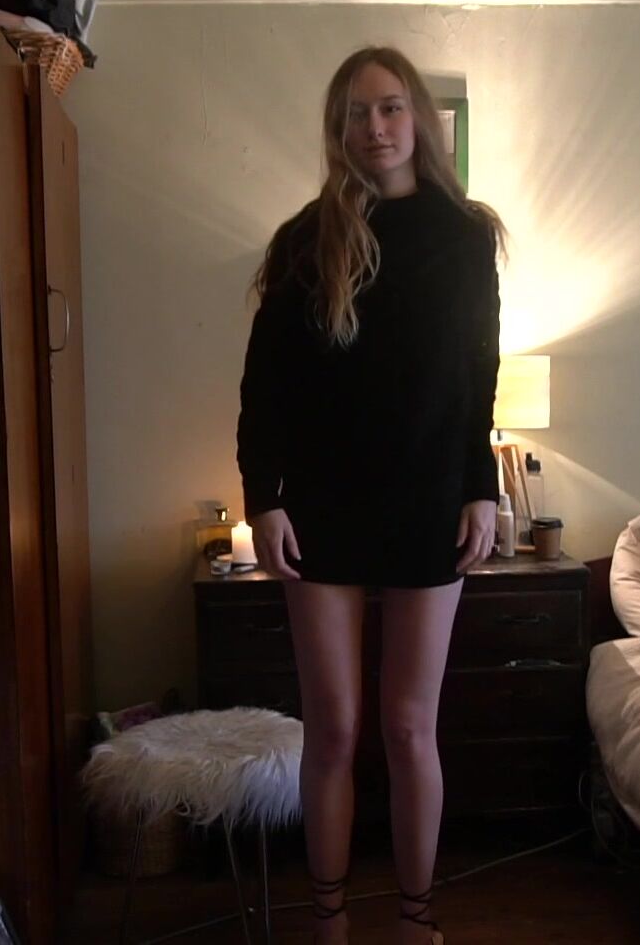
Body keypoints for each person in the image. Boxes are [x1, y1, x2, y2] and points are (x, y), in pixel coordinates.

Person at [236, 46, 504, 945]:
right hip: (321, 506)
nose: (375, 127)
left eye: (389, 107)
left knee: (408, 727)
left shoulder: (466, 236)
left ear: (417, 117)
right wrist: (262, 497)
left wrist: (481, 488)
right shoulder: (303, 239)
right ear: (337, 129)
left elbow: (476, 373)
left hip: (428, 500)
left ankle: (416, 920)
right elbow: (265, 387)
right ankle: (328, 920)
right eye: (356, 113)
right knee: (334, 728)